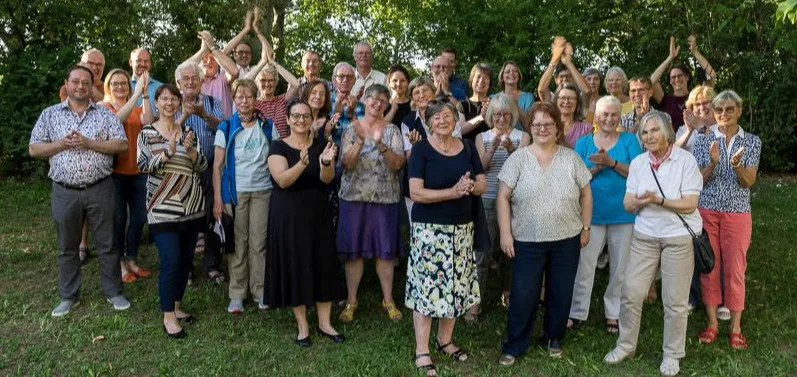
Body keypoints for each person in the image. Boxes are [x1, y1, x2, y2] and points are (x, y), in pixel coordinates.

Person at [604, 111, 703, 377]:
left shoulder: (686, 161)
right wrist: (638, 201)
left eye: (654, 131)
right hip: (645, 237)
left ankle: (672, 355)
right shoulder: (637, 164)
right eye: (645, 132)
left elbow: (690, 203)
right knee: (631, 292)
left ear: (668, 133)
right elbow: (627, 203)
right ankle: (626, 345)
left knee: (675, 301)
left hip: (677, 239)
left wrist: (658, 200)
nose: (649, 136)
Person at [30, 65, 131, 317]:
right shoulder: (50, 115)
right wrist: (61, 144)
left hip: (100, 188)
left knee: (107, 243)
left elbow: (121, 144)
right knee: (67, 246)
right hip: (65, 191)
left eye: (86, 82)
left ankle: (113, 291)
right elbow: (33, 148)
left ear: (93, 86)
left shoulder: (105, 115)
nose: (81, 86)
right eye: (75, 82)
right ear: (67, 84)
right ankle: (69, 296)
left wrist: (89, 143)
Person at [496, 102, 592, 364]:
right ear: (530, 127)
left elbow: (586, 193)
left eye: (548, 124)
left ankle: (554, 336)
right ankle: (515, 344)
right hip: (527, 239)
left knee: (560, 291)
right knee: (524, 293)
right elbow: (502, 197)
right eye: (537, 124)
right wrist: (506, 233)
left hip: (566, 238)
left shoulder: (571, 158)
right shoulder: (518, 158)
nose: (542, 129)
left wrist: (585, 227)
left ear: (557, 128)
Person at [406, 101, 486, 376]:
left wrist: (470, 186)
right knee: (428, 290)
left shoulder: (466, 147)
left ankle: (445, 341)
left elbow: (482, 183)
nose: (442, 120)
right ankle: (422, 350)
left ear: (456, 120)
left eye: (448, 116)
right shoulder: (421, 150)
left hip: (462, 229)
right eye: (436, 117)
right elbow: (416, 192)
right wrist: (452, 192)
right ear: (428, 122)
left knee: (456, 286)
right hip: (429, 231)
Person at [265, 101, 344, 346]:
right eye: (296, 116)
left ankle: (325, 323)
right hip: (288, 216)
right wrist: (302, 162)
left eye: (305, 116)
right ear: (287, 120)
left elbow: (327, 180)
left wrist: (327, 163)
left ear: (311, 119)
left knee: (323, 264)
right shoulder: (277, 146)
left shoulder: (322, 145)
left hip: (318, 214)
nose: (301, 120)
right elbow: (282, 181)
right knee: (295, 265)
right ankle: (302, 325)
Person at [137, 84, 207, 338]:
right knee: (171, 261)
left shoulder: (188, 131)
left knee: (186, 261)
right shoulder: (147, 133)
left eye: (173, 99)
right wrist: (166, 153)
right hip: (162, 208)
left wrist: (190, 150)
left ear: (179, 103)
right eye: (164, 99)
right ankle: (168, 317)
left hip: (191, 207)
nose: (169, 103)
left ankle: (177, 307)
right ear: (157, 103)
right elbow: (143, 165)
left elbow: (201, 165)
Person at [693, 90, 761, 350]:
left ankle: (735, 328)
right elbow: (699, 180)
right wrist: (711, 163)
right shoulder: (704, 140)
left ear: (739, 111)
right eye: (719, 110)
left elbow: (748, 181)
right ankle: (712, 324)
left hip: (737, 212)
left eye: (729, 109)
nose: (723, 115)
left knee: (735, 268)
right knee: (710, 266)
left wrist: (736, 166)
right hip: (707, 210)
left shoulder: (752, 142)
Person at [568, 96, 642, 333]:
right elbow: (575, 177)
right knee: (584, 265)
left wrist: (611, 162)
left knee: (620, 268)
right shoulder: (583, 142)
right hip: (592, 215)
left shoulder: (630, 140)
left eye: (613, 114)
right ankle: (577, 311)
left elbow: (638, 173)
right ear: (596, 118)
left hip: (623, 214)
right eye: (604, 115)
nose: (609, 119)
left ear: (620, 116)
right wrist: (597, 167)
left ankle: (613, 313)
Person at [337, 85, 406, 323]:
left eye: (383, 101)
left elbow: (398, 164)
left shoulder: (393, 130)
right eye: (374, 99)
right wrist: (359, 143)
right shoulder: (350, 129)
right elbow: (345, 164)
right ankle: (351, 300)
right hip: (354, 197)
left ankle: (388, 300)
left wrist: (380, 145)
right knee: (353, 252)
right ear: (364, 101)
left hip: (385, 198)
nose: (378, 104)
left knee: (385, 252)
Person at [213, 78, 276, 313]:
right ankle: (237, 293)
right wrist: (218, 199)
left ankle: (260, 290)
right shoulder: (226, 127)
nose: (244, 100)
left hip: (262, 191)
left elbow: (276, 156)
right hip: (235, 193)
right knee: (238, 244)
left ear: (255, 97)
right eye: (239, 96)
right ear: (234, 99)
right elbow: (217, 166)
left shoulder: (267, 125)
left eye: (248, 96)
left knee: (259, 243)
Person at [469, 93, 530, 322]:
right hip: (487, 198)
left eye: (505, 114)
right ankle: (475, 302)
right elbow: (480, 169)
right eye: (497, 114)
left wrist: (512, 150)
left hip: (514, 202)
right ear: (490, 116)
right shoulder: (482, 137)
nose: (501, 118)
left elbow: (524, 170)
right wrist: (493, 148)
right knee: (482, 252)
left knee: (510, 253)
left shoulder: (522, 137)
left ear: (512, 115)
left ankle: (507, 295)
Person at [101, 68, 155, 283]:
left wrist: (144, 94)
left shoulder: (136, 106)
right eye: (115, 83)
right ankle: (121, 263)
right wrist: (135, 95)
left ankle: (132, 259)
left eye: (124, 82)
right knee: (119, 219)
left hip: (139, 172)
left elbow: (149, 121)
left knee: (140, 217)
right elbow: (116, 121)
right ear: (108, 86)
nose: (120, 86)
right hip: (116, 173)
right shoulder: (103, 108)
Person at [174, 61, 225, 284]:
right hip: (182, 169)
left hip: (210, 166)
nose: (191, 82)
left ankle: (211, 264)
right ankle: (185, 267)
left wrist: (203, 113)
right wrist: (184, 115)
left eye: (195, 77)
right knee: (184, 218)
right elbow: (164, 131)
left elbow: (222, 128)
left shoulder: (213, 102)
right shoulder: (171, 103)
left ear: (202, 80)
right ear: (178, 83)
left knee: (213, 214)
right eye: (186, 78)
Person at [651, 35, 716, 131]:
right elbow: (651, 82)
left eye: (679, 75)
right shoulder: (665, 99)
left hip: (698, 140)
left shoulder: (697, 96)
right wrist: (670, 57)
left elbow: (712, 75)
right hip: (673, 144)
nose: (676, 79)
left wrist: (695, 52)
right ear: (670, 81)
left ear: (687, 77)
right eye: (673, 77)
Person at [245, 30, 300, 139]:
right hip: (261, 150)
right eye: (263, 80)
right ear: (257, 82)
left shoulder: (282, 100)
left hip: (282, 149)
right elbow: (243, 83)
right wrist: (262, 63)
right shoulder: (254, 103)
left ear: (276, 82)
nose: (267, 84)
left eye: (271, 80)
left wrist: (274, 63)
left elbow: (296, 85)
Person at [184, 30, 240, 119]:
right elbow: (182, 70)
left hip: (222, 130)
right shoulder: (194, 81)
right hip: (198, 130)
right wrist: (202, 50)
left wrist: (212, 48)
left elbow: (235, 72)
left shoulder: (223, 78)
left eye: (213, 59)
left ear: (219, 63)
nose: (209, 61)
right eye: (205, 58)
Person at [537, 37, 591, 104]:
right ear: (555, 79)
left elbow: (587, 91)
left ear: (575, 79)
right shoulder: (551, 99)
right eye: (561, 76)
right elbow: (541, 90)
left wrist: (568, 63)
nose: (565, 79)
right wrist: (555, 58)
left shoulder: (580, 99)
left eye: (569, 76)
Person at [330, 62, 365, 145]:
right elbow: (321, 134)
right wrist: (336, 114)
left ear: (354, 81)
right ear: (333, 80)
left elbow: (362, 136)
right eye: (341, 76)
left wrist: (352, 115)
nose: (345, 80)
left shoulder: (360, 107)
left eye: (349, 77)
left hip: (353, 153)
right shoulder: (325, 103)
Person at [675, 85, 717, 152]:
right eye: (697, 104)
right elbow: (674, 151)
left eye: (705, 103)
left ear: (714, 104)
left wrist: (699, 128)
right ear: (692, 108)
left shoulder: (722, 127)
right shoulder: (684, 129)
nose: (702, 107)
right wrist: (689, 132)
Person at [496, 61, 535, 129]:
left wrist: (516, 105)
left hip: (522, 138)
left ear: (518, 76)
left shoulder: (528, 97)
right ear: (502, 77)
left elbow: (530, 124)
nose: (511, 73)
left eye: (515, 71)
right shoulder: (493, 98)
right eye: (507, 72)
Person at [459, 63, 492, 141]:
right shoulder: (462, 105)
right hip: (469, 150)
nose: (481, 81)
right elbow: (460, 130)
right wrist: (481, 117)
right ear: (471, 79)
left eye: (486, 78)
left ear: (490, 83)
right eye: (478, 76)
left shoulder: (494, 103)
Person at [553, 83, 593, 148]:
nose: (566, 101)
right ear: (556, 101)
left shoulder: (587, 129)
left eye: (571, 98)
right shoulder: (547, 126)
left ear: (577, 103)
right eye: (563, 98)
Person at [222, 10, 255, 78]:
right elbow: (224, 53)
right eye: (240, 52)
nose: (244, 55)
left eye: (247, 52)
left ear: (251, 55)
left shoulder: (255, 71)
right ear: (234, 55)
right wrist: (246, 29)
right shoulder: (228, 69)